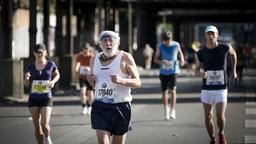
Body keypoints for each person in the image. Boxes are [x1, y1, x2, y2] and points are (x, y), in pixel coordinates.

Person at [86, 30, 141, 144]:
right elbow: (94, 83)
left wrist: (121, 81)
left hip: (121, 106)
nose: (108, 43)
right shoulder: (94, 59)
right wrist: (90, 81)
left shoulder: (125, 57)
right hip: (100, 106)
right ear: (100, 44)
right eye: (104, 40)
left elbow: (137, 82)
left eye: (111, 40)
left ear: (117, 43)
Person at [195, 25, 237, 144]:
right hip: (207, 89)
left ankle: (221, 134)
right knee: (208, 116)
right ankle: (212, 138)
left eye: (213, 34)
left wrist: (233, 70)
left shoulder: (225, 47)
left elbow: (233, 54)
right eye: (208, 34)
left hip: (221, 88)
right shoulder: (200, 52)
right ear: (205, 36)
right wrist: (201, 74)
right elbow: (196, 71)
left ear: (217, 35)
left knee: (219, 116)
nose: (211, 36)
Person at [24, 43, 60, 144]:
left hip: (46, 98)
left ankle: (47, 137)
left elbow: (57, 75)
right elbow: (26, 84)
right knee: (37, 126)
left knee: (44, 124)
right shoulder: (30, 66)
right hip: (33, 98)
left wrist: (53, 81)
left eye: (41, 52)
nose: (39, 54)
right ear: (34, 53)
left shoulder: (50, 64)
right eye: (37, 52)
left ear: (45, 52)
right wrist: (26, 78)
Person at [153, 31, 185, 120]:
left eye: (170, 39)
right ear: (164, 40)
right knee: (164, 91)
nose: (168, 42)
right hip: (163, 72)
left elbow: (180, 53)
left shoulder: (176, 45)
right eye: (166, 40)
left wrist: (182, 60)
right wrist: (161, 61)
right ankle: (166, 110)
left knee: (173, 90)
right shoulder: (160, 46)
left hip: (174, 71)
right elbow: (155, 59)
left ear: (172, 38)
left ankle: (173, 110)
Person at [75, 43, 94, 115]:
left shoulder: (92, 57)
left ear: (89, 49)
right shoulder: (80, 56)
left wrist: (89, 70)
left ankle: (89, 106)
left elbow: (94, 67)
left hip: (90, 77)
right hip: (82, 77)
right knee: (82, 92)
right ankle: (84, 107)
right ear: (82, 49)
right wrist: (76, 70)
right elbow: (78, 64)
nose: (85, 50)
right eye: (84, 49)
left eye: (87, 49)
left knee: (90, 94)